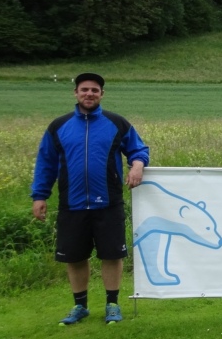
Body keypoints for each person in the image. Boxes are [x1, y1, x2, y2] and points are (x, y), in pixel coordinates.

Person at [31, 73, 150, 325]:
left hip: (108, 203)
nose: (89, 94)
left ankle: (112, 304)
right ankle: (80, 306)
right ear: (75, 93)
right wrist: (40, 195)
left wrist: (138, 165)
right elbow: (46, 163)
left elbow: (138, 149)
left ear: (102, 95)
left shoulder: (116, 123)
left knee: (112, 255)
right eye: (84, 89)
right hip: (71, 204)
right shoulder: (58, 126)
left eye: (95, 90)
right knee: (74, 257)